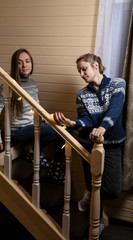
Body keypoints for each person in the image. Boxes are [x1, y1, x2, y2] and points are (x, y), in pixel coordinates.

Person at [53, 53, 126, 231]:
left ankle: (87, 199)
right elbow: (87, 120)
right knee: (95, 187)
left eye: (84, 69)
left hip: (113, 143)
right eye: (79, 71)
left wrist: (102, 128)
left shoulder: (118, 84)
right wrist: (73, 123)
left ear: (96, 66)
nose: (81, 74)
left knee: (113, 189)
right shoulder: (81, 95)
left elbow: (115, 110)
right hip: (88, 144)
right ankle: (98, 222)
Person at [0, 48, 61, 167]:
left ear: (31, 63)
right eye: (19, 62)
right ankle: (35, 153)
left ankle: (55, 165)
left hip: (31, 127)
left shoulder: (33, 83)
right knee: (53, 131)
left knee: (62, 128)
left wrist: (45, 118)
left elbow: (36, 106)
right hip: (16, 131)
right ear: (15, 65)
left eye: (27, 61)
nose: (24, 65)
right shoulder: (6, 86)